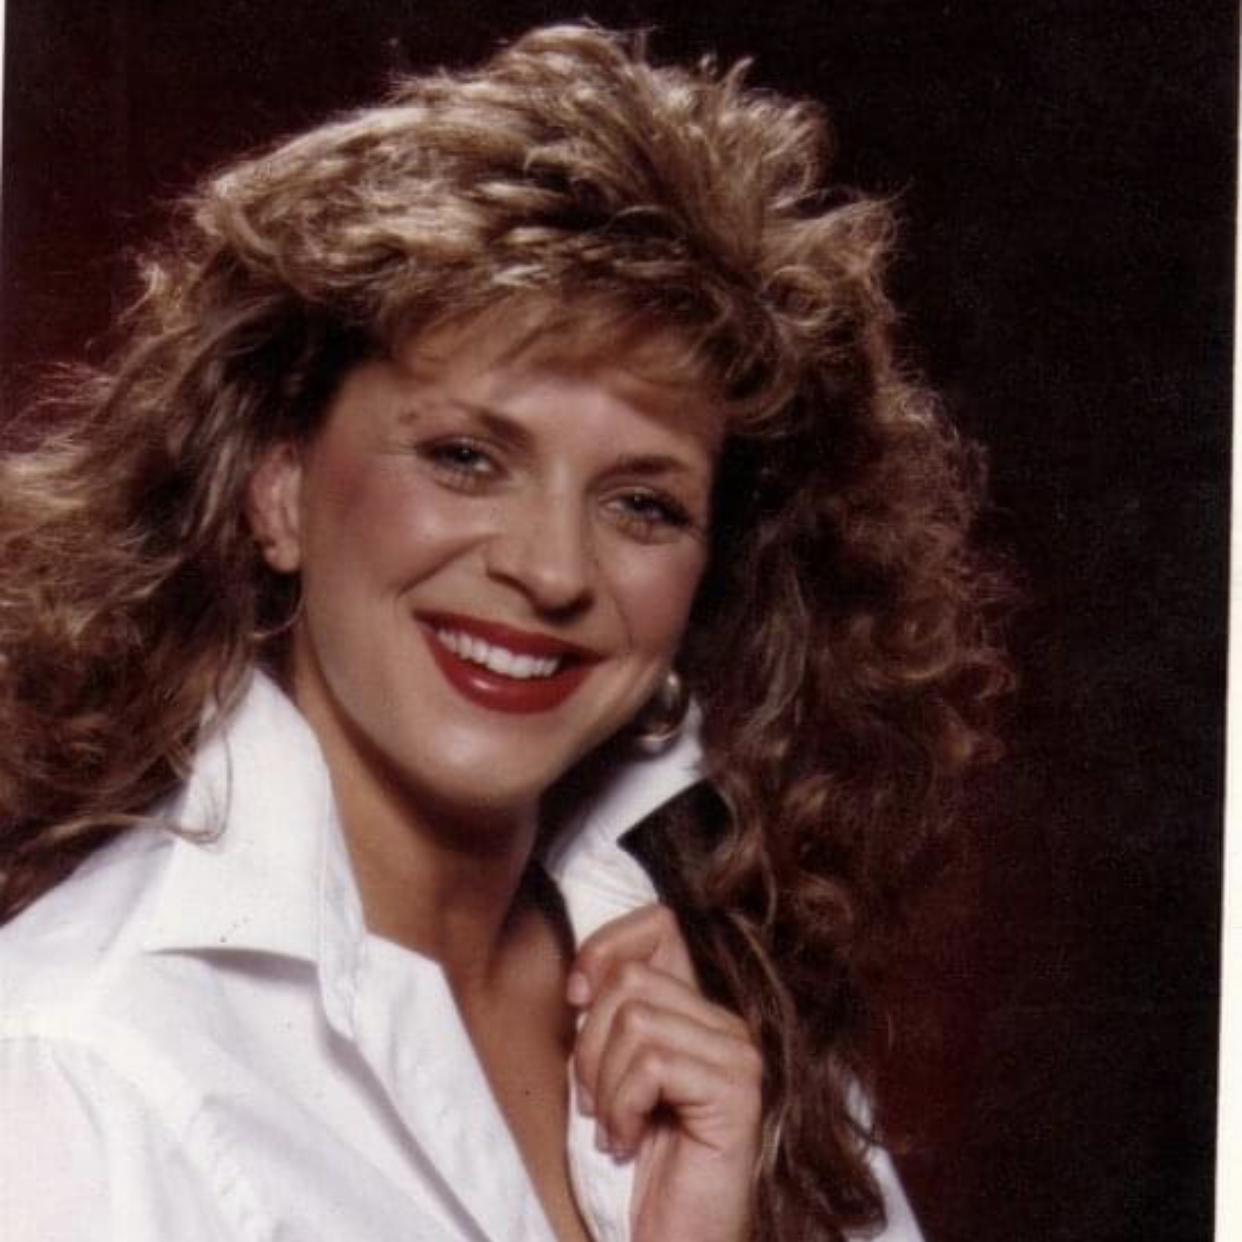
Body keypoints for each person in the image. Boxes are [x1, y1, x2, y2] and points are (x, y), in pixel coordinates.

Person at [0, 23, 1008, 1242]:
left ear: (712, 575)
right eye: (466, 457)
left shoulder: (741, 1031)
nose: (551, 570)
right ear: (278, 486)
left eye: (642, 505)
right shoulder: (75, 1069)